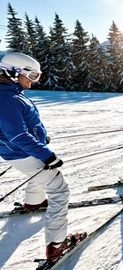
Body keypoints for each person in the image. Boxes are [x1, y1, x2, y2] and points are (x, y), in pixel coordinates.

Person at [0, 52, 83, 262]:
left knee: (41, 175)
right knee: (59, 189)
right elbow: (17, 134)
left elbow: (22, 125)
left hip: (20, 151)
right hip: (22, 152)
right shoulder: (6, 97)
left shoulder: (10, 92)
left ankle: (34, 202)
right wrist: (46, 155)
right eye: (32, 75)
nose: (34, 80)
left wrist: (41, 137)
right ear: (13, 72)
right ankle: (57, 244)